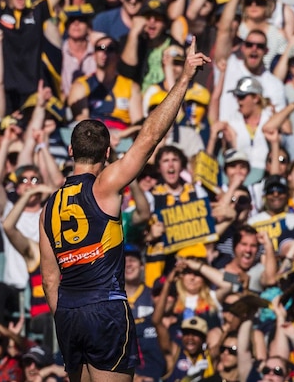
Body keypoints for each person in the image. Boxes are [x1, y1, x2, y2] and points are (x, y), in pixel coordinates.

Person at [39, 37, 210, 381]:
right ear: (106, 155)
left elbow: (49, 279)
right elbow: (149, 137)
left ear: (70, 151)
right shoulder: (105, 184)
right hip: (105, 307)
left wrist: (68, 317)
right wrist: (184, 78)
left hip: (69, 312)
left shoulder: (49, 206)